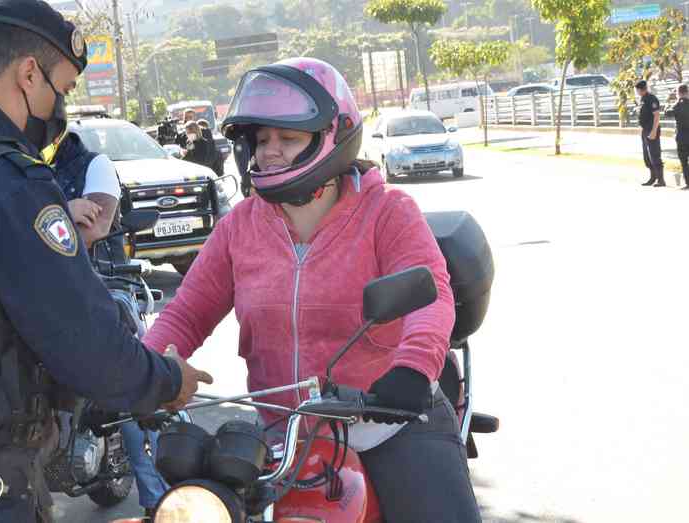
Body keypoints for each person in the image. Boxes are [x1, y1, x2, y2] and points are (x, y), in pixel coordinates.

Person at [0, 2, 211, 522]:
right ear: (27, 73)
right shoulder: (6, 179)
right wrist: (166, 380)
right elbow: (88, 349)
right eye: (61, 90)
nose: (59, 109)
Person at [143, 58, 481, 522]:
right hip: (283, 438)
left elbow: (431, 293)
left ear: (331, 136)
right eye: (262, 140)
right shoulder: (240, 227)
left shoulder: (387, 212)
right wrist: (139, 373)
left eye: (288, 137)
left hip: (388, 424)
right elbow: (187, 312)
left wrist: (412, 369)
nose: (270, 152)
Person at [49, 131, 169, 516]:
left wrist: (44, 219)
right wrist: (65, 208)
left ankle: (159, 498)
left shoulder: (92, 165)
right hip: (43, 294)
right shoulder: (19, 170)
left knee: (132, 383)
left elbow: (92, 230)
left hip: (104, 288)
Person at [636, 80, 665, 187]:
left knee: (655, 154)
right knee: (647, 156)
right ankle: (653, 177)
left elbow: (657, 116)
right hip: (645, 130)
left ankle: (661, 180)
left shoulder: (652, 99)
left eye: (637, 90)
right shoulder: (643, 99)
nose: (637, 92)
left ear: (641, 89)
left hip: (652, 129)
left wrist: (653, 131)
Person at [666, 84, 689, 190]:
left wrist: (668, 102)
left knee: (684, 162)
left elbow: (667, 113)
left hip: (682, 138)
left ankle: (688, 183)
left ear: (678, 93)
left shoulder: (677, 105)